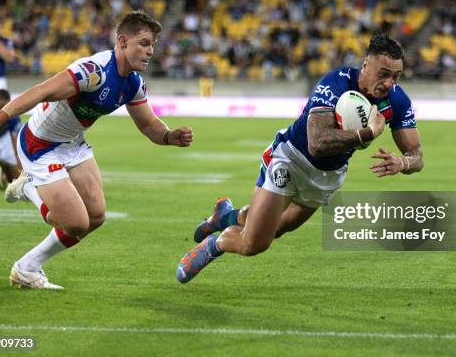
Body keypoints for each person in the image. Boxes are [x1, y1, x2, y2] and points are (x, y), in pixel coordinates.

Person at [0, 10, 194, 290]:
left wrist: (170, 136)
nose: (150, 51)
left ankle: (27, 267)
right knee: (75, 223)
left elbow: (149, 125)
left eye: (153, 45)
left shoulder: (133, 82)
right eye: (144, 43)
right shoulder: (94, 71)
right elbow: (41, 91)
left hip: (72, 144)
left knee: (96, 216)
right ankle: (28, 188)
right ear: (123, 42)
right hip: (40, 145)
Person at [175, 32, 424, 284]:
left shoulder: (397, 100)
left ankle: (225, 216)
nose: (390, 82)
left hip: (328, 176)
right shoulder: (335, 83)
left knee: (279, 228)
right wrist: (368, 133)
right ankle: (213, 244)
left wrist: (403, 163)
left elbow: (417, 155)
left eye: (396, 76)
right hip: (290, 160)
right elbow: (317, 143)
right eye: (384, 73)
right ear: (366, 65)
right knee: (254, 243)